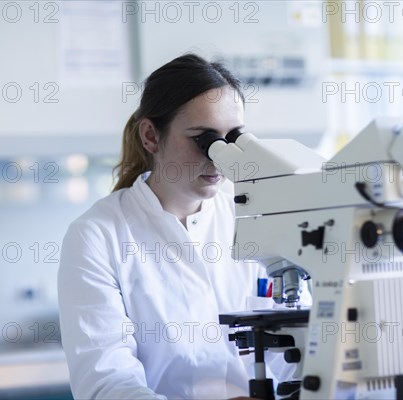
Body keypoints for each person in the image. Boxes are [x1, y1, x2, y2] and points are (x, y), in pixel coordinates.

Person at [57, 54, 291, 399]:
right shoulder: (98, 236)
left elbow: (297, 350)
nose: (220, 156)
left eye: (233, 140)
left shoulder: (255, 217)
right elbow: (106, 385)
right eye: (204, 139)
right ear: (151, 136)